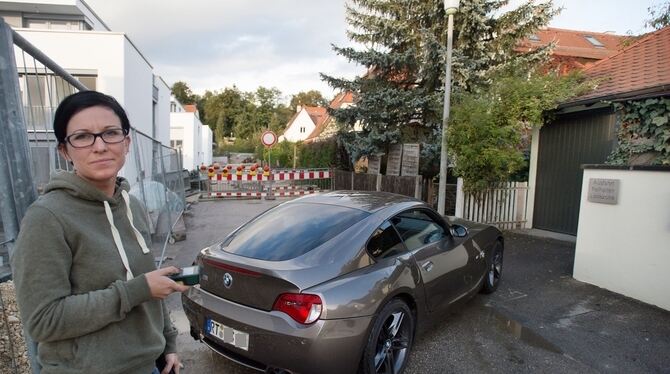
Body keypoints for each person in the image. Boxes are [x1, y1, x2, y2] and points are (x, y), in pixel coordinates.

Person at [11, 90, 189, 374]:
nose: (100, 146)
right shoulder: (47, 218)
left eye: (110, 133)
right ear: (64, 151)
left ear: (126, 142)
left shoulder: (134, 206)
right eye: (82, 136)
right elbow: (44, 320)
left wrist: (168, 344)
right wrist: (136, 291)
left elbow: (147, 285)